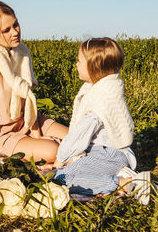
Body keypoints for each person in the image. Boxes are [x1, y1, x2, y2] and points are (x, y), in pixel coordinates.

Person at [0, 0, 68, 164]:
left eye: (16, 24)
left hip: (26, 120)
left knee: (76, 139)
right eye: (6, 30)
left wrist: (35, 132)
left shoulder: (21, 52)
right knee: (54, 150)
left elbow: (27, 101)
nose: (15, 32)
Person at [51, 37, 151, 204]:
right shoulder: (108, 90)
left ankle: (127, 183)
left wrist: (59, 161)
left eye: (79, 61)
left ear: (93, 67)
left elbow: (79, 135)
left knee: (60, 178)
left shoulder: (98, 100)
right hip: (111, 154)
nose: (76, 64)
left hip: (107, 154)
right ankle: (117, 177)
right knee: (71, 173)